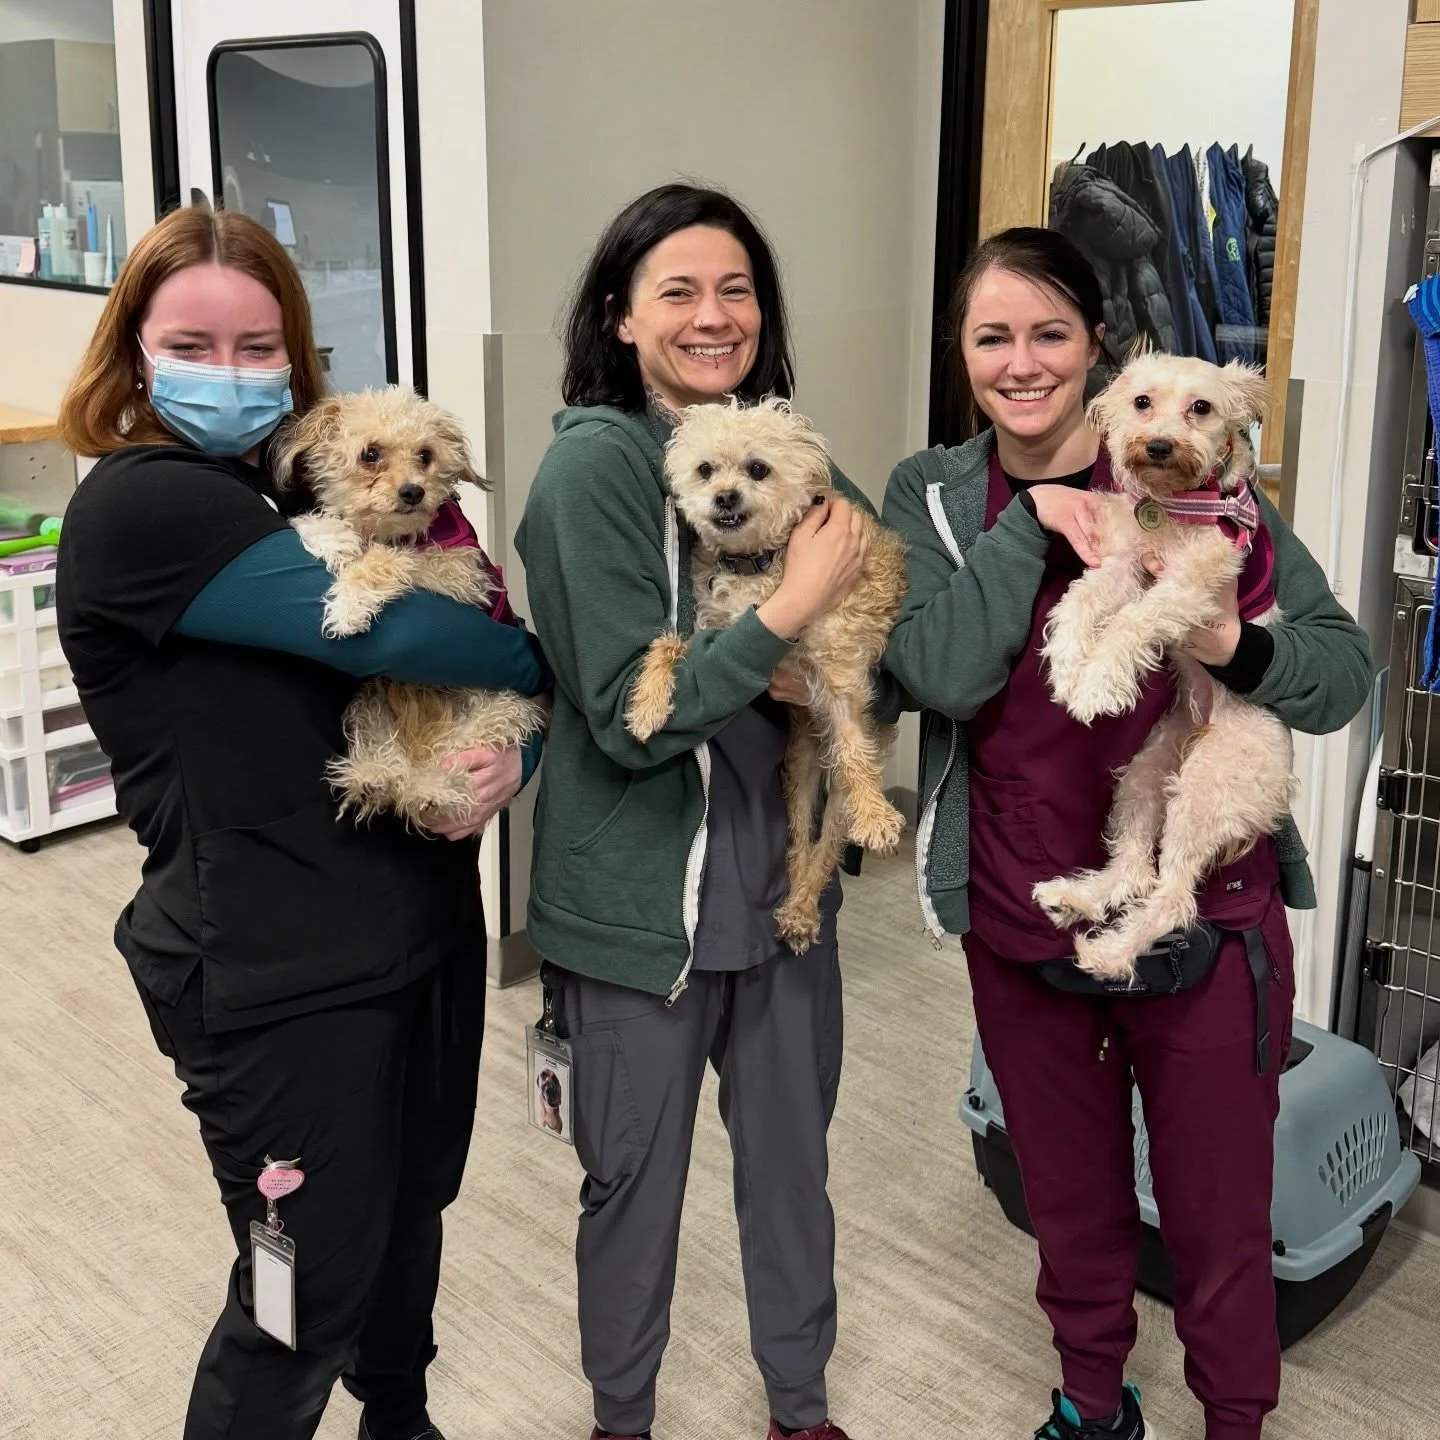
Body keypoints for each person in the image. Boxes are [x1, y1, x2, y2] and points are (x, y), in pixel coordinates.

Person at [55, 205, 552, 1440]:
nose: (232, 374)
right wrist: (535, 654)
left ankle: (400, 1419)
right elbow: (409, 631)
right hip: (268, 966)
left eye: (258, 346)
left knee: (408, 1209)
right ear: (132, 348)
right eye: (195, 343)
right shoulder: (146, 503)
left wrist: (505, 757)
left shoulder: (281, 486)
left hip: (415, 925)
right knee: (301, 1279)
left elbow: (441, 689)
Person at [880, 227, 1371, 1440]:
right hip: (1024, 897)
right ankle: (1094, 1405)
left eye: (1050, 332)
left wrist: (1228, 646)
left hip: (1212, 911)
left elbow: (1343, 670)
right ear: (963, 354)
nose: (1022, 362)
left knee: (1216, 1212)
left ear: (1097, 351)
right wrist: (1032, 523)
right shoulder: (933, 497)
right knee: (1069, 1198)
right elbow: (934, 672)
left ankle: (1236, 1421)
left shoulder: (1210, 494)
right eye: (993, 336)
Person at [515, 182, 901, 1440]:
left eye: (736, 288)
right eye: (677, 290)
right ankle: (620, 1420)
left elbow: (881, 603)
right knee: (633, 1187)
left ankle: (802, 1408)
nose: (712, 313)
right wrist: (788, 623)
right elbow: (636, 709)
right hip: (640, 914)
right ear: (621, 317)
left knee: (793, 1175)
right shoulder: (592, 470)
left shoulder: (792, 448)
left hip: (782, 893)